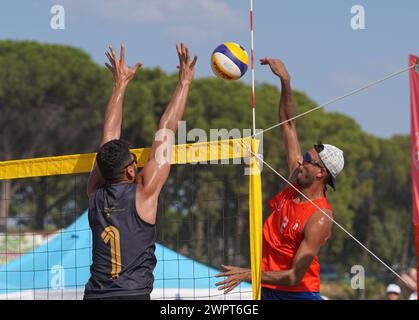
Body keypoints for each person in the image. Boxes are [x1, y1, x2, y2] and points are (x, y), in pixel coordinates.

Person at [215, 58, 344, 300]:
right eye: (304, 155)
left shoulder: (321, 216)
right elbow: (288, 126)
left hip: (298, 295)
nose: (300, 160)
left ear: (321, 173)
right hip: (268, 290)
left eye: (308, 158)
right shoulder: (295, 180)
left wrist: (248, 274)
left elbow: (295, 276)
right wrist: (285, 81)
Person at [83, 43, 197, 300]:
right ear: (131, 171)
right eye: (134, 159)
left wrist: (119, 86)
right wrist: (184, 83)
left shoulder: (94, 192)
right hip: (132, 294)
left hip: (95, 295)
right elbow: (166, 129)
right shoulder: (144, 192)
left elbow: (108, 138)